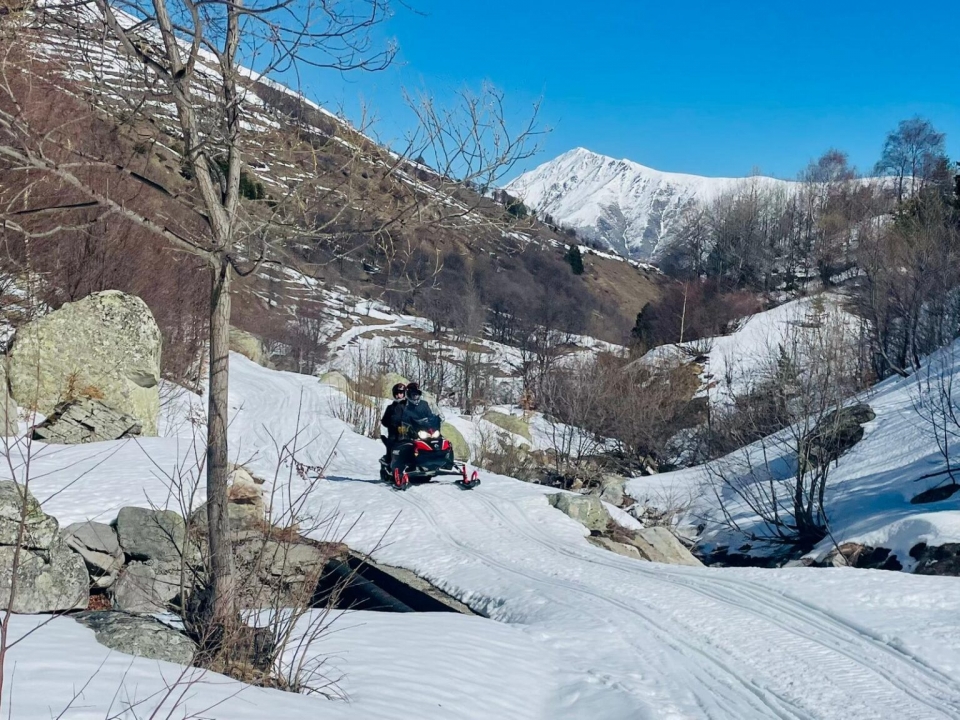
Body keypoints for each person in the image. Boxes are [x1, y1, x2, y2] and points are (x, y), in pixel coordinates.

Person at [380, 383, 406, 459]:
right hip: (395, 433)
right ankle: (389, 459)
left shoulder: (409, 406)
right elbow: (384, 421)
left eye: (401, 393)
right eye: (396, 393)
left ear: (404, 393)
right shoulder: (391, 407)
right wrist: (392, 424)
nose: (399, 395)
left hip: (409, 432)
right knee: (392, 441)